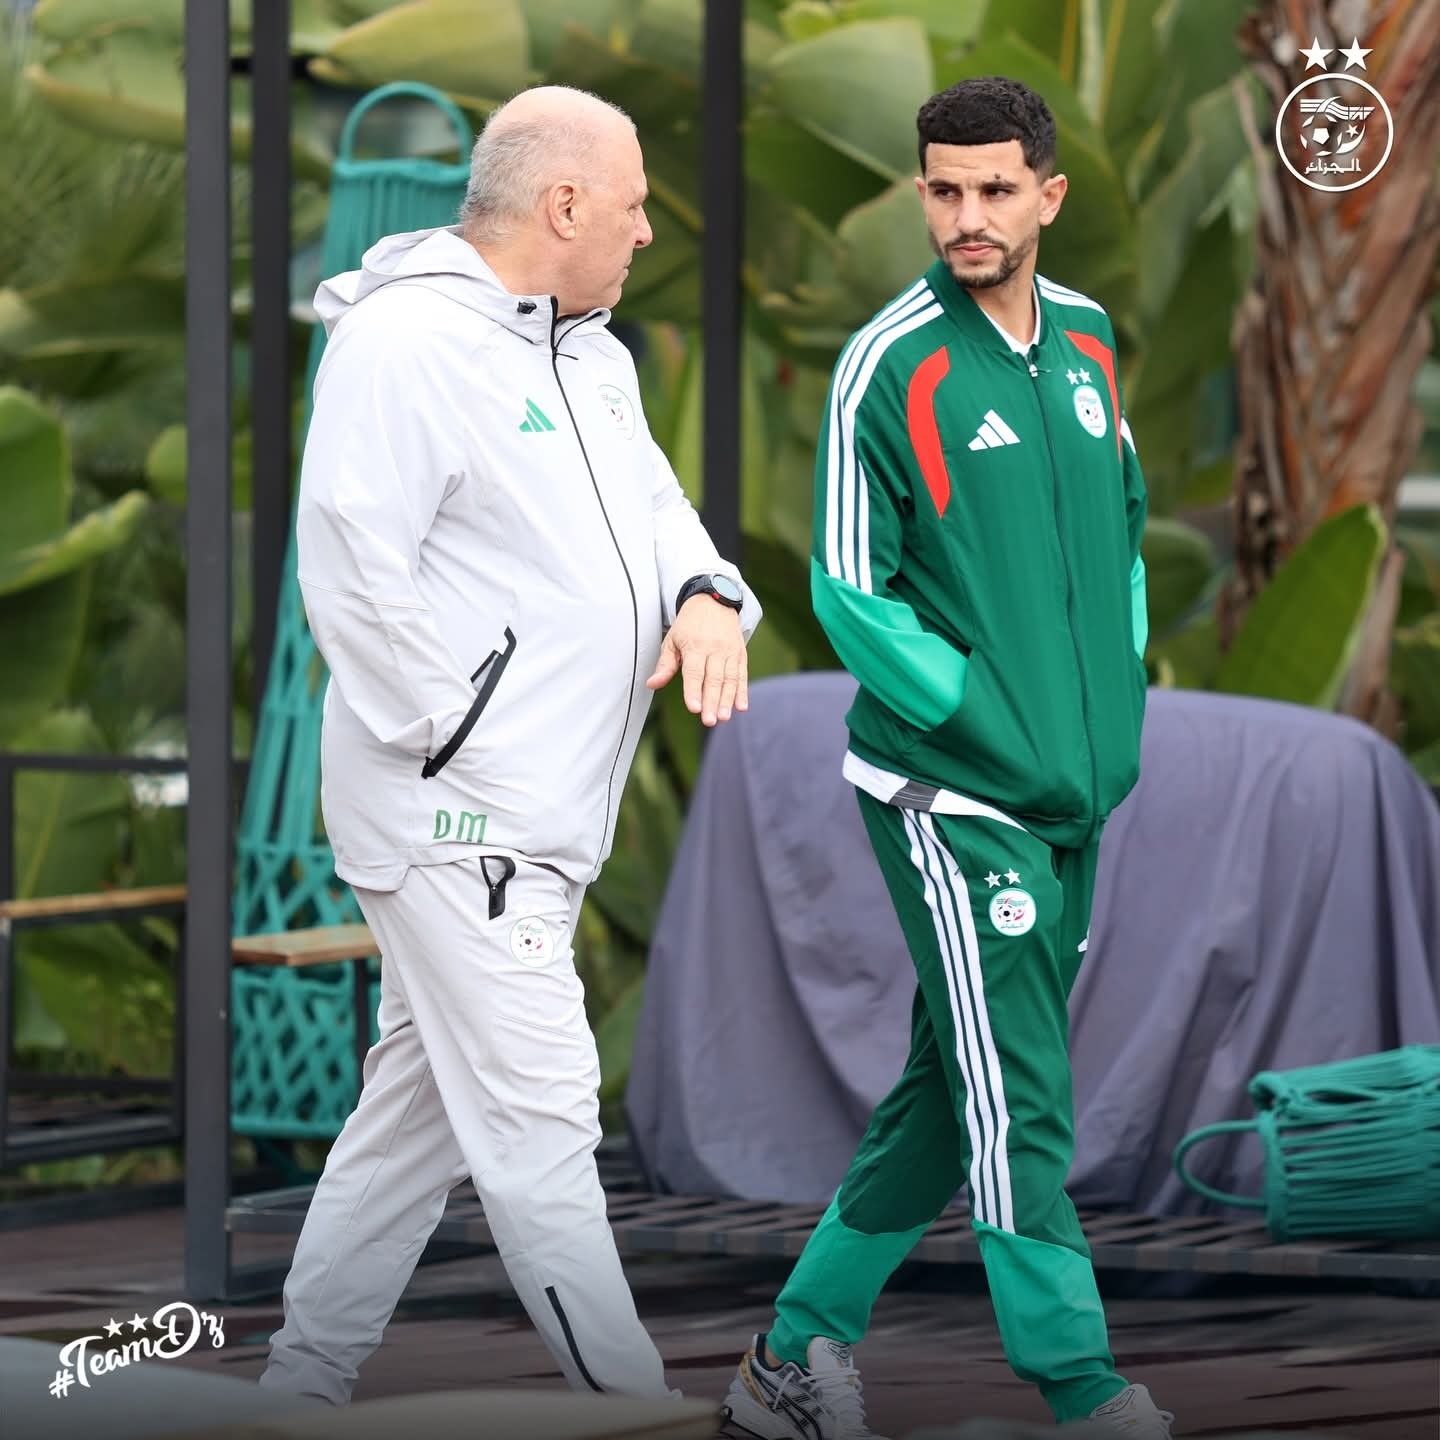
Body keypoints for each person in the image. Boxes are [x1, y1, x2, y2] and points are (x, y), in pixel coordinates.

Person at [259, 84, 760, 1405]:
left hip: (529, 817)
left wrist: (708, 595)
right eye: (634, 206)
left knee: (413, 1121)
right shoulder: (406, 343)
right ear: (565, 204)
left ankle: (296, 1394)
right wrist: (457, 742)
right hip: (461, 819)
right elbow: (351, 564)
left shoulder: (594, 357)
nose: (646, 231)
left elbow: (658, 509)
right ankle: (639, 1413)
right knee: (541, 1118)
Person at [719, 78, 1171, 1440]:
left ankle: (789, 1358)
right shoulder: (889, 363)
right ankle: (1082, 1386)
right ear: (923, 192)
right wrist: (994, 719)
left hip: (1076, 792)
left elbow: (1125, 538)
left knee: (952, 1082)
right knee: (1018, 1085)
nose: (968, 216)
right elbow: (853, 594)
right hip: (952, 791)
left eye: (994, 190)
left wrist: (1112, 708)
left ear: (1048, 196)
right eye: (945, 189)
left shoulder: (1087, 343)